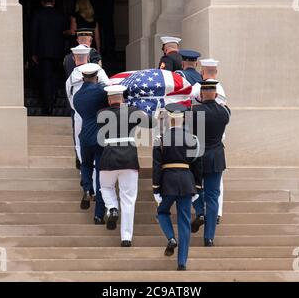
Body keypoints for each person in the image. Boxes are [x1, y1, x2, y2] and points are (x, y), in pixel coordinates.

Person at [98, 85, 155, 247]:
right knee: (128, 199)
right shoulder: (132, 111)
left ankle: (112, 208)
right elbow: (151, 123)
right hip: (129, 158)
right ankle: (126, 237)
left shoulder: (101, 113)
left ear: (109, 99)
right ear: (122, 98)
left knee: (106, 187)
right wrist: (140, 110)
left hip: (109, 157)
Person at [153, 103, 203, 271]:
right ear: (183, 119)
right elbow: (197, 164)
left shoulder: (160, 139)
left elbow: (157, 166)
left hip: (168, 181)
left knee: (162, 212)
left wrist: (155, 188)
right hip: (187, 181)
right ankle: (182, 262)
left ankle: (170, 238)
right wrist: (197, 186)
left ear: (168, 118)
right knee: (184, 221)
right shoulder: (193, 139)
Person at [191, 81, 231, 247]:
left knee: (193, 189)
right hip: (216, 158)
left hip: (198, 157)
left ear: (201, 94)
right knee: (213, 196)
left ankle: (200, 212)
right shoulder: (225, 112)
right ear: (215, 94)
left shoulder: (194, 112)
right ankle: (209, 238)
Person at [73, 63, 109, 224]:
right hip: (100, 135)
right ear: (96, 76)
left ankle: (87, 189)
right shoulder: (101, 92)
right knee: (101, 175)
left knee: (86, 165)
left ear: (82, 78)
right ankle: (98, 214)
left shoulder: (77, 96)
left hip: (85, 135)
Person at [65, 45, 110, 165]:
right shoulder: (97, 70)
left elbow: (70, 98)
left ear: (74, 58)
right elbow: (108, 88)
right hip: (98, 112)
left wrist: (77, 109)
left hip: (80, 113)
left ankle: (84, 167)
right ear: (89, 57)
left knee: (80, 143)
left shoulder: (71, 77)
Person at [30, 0, 67, 115]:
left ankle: (48, 106)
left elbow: (34, 34)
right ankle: (53, 99)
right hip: (58, 51)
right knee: (55, 77)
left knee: (46, 79)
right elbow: (64, 34)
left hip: (43, 51)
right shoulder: (60, 15)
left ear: (42, 2)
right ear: (54, 2)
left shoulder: (37, 14)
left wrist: (33, 52)